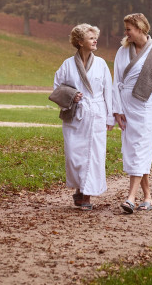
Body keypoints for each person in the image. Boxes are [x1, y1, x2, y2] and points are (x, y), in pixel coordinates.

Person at [112, 13, 152, 214]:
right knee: (135, 151)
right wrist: (117, 110)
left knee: (140, 149)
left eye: (129, 29)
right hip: (127, 107)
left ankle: (130, 198)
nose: (126, 33)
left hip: (148, 108)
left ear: (140, 28)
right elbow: (116, 82)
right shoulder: (123, 51)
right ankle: (147, 197)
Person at [51, 24, 115, 211]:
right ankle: (79, 188)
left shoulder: (101, 64)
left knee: (93, 155)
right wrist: (72, 95)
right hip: (75, 115)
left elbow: (108, 92)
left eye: (96, 37)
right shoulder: (67, 64)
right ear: (80, 42)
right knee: (74, 154)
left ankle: (86, 194)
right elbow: (58, 86)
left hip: (96, 114)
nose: (95, 40)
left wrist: (109, 117)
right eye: (91, 38)